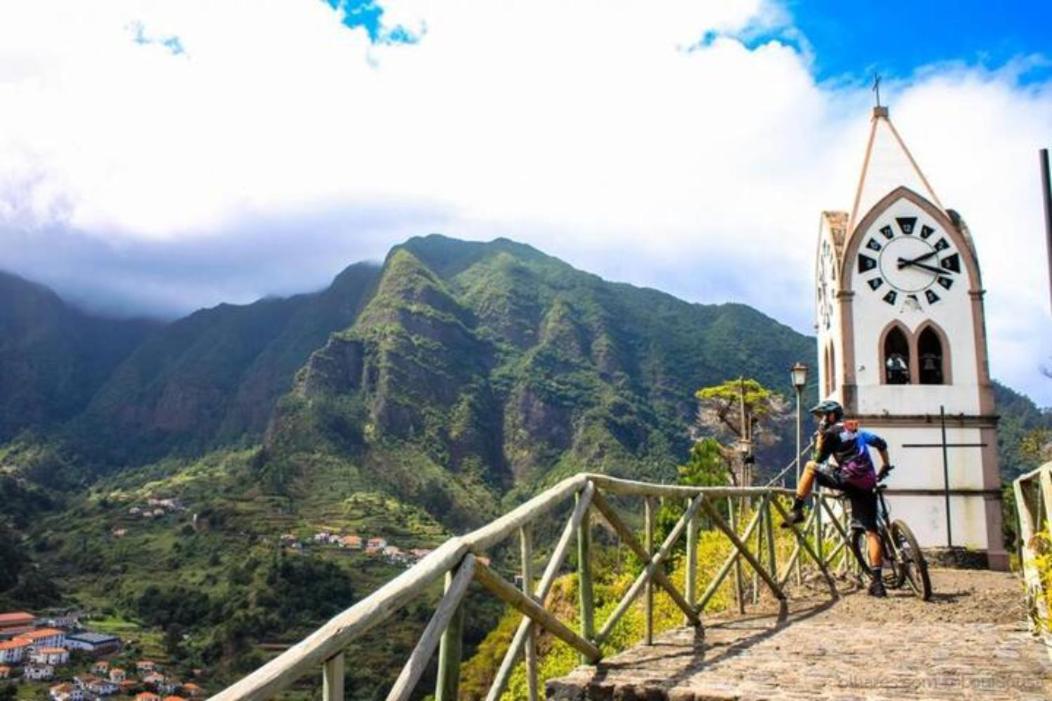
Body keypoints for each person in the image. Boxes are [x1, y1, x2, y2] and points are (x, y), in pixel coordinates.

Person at [781, 399, 893, 597]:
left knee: (809, 467)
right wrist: (885, 465)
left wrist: (821, 437)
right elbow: (881, 443)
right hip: (868, 483)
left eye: (823, 416)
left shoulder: (831, 434)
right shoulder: (855, 429)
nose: (821, 420)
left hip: (847, 480)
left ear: (831, 416)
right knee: (871, 532)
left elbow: (818, 459)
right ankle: (877, 582)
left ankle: (796, 509)